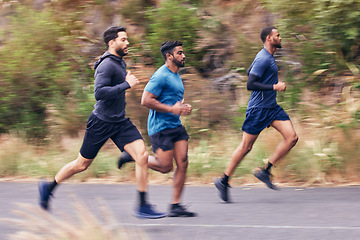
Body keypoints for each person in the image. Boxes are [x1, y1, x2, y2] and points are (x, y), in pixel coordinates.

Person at [38, 26, 166, 219]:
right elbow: (99, 93)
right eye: (123, 39)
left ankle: (142, 205)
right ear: (111, 43)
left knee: (141, 155)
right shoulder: (107, 65)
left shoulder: (119, 62)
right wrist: (126, 84)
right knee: (81, 165)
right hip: (101, 122)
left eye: (126, 39)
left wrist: (124, 82)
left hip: (120, 122)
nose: (127, 42)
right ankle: (48, 187)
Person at [214, 26, 298, 203]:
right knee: (246, 147)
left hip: (271, 107)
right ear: (269, 38)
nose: (280, 38)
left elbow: (250, 72)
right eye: (277, 35)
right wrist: (274, 87)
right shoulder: (263, 58)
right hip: (258, 109)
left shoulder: (267, 57)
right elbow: (250, 83)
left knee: (291, 137)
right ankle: (224, 180)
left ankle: (265, 170)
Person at [118, 41, 196, 217]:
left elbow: (172, 101)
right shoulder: (160, 76)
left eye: (183, 53)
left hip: (175, 125)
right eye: (180, 53)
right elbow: (145, 100)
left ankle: (175, 205)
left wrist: (183, 108)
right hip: (160, 128)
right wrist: (172, 109)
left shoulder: (176, 76)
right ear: (169, 56)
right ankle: (133, 156)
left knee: (183, 162)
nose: (183, 56)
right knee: (165, 166)